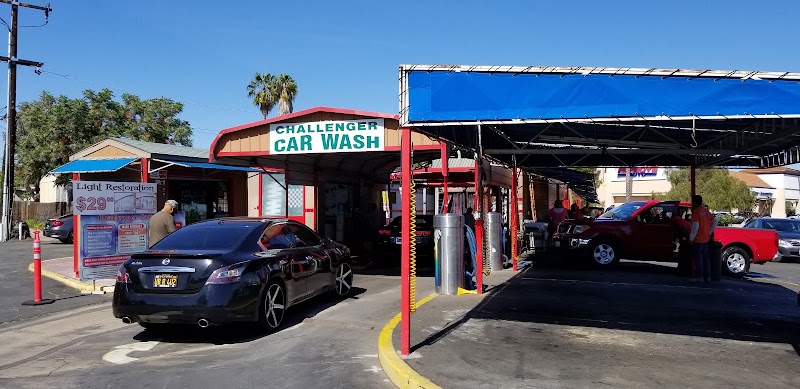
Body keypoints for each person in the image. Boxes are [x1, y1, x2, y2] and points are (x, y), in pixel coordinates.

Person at [689, 195, 717, 283]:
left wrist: (691, 238)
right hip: (705, 238)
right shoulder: (705, 211)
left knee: (698, 258)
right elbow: (715, 220)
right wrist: (709, 231)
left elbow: (695, 226)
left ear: (695, 202)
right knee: (706, 258)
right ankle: (707, 276)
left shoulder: (696, 212)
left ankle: (699, 276)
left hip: (698, 239)